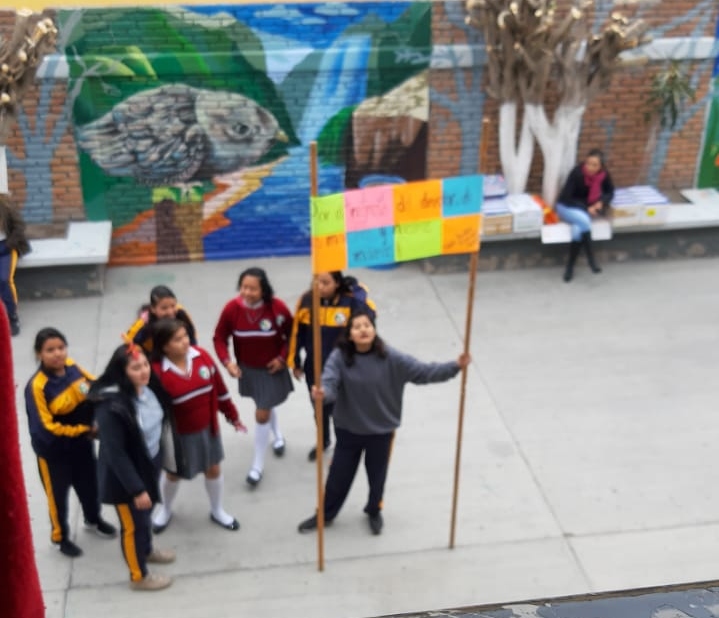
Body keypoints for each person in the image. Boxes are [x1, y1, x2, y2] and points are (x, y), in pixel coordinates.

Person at [297, 310, 471, 536]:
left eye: (367, 325)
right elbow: (329, 382)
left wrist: (455, 366)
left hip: (381, 431)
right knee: (338, 476)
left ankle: (374, 509)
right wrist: (323, 393)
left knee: (377, 475)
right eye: (357, 326)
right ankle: (326, 514)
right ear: (349, 334)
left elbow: (424, 372)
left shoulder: (391, 357)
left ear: (374, 329)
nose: (363, 330)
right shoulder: (339, 357)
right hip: (348, 430)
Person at [24, 328, 117, 557]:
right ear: (39, 354)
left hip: (82, 445)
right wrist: (85, 429)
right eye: (50, 350)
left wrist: (110, 395)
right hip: (55, 453)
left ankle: (93, 519)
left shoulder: (73, 368)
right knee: (58, 498)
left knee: (90, 485)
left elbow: (92, 386)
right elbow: (45, 428)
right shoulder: (37, 386)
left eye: (61, 348)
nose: (57, 354)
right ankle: (60, 537)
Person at [91, 342, 176, 591]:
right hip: (126, 478)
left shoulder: (147, 389)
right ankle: (139, 576)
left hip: (149, 462)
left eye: (145, 365)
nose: (144, 371)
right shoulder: (111, 406)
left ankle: (147, 550)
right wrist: (137, 489)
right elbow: (116, 453)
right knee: (132, 525)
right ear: (122, 372)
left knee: (145, 518)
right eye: (136, 368)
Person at [150, 319, 246, 534]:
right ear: (164, 346)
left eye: (185, 336)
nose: (185, 342)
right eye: (177, 339)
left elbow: (219, 389)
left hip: (207, 429)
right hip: (178, 436)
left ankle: (217, 510)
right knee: (173, 474)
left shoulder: (202, 357)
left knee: (213, 468)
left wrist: (232, 415)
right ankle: (165, 510)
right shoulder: (157, 373)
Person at [213, 267, 294, 487]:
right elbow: (219, 338)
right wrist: (227, 362)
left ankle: (257, 465)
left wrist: (282, 357)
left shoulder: (277, 308)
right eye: (244, 287)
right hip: (248, 369)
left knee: (261, 412)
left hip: (271, 369)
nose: (247, 292)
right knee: (264, 404)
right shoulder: (232, 309)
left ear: (264, 289)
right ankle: (278, 435)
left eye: (253, 289)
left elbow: (292, 334)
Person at [288, 271, 377, 462]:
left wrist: (359, 295)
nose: (319, 287)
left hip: (345, 367)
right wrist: (294, 361)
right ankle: (323, 441)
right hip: (315, 367)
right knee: (319, 408)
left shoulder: (351, 301)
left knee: (342, 409)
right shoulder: (307, 300)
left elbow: (369, 319)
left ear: (337, 283)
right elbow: (297, 332)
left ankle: (345, 445)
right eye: (316, 282)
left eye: (325, 282)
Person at [555, 148, 614, 282]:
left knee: (577, 230)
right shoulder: (577, 173)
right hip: (566, 207)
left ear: (601, 166)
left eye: (594, 165)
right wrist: (588, 208)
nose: (590, 167)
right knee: (585, 223)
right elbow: (566, 197)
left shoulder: (604, 176)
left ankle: (569, 267)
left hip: (585, 210)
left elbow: (610, 192)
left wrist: (601, 202)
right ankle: (591, 259)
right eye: (588, 163)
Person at [126, 285, 197, 353]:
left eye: (173, 306)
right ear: (153, 309)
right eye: (164, 308)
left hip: (178, 353)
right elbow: (129, 343)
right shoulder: (143, 324)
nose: (170, 312)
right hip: (153, 356)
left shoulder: (182, 314)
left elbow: (192, 336)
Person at [0, 195, 31, 336]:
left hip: (7, 247)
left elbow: (19, 226)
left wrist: (8, 245)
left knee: (4, 280)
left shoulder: (5, 203)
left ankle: (11, 317)